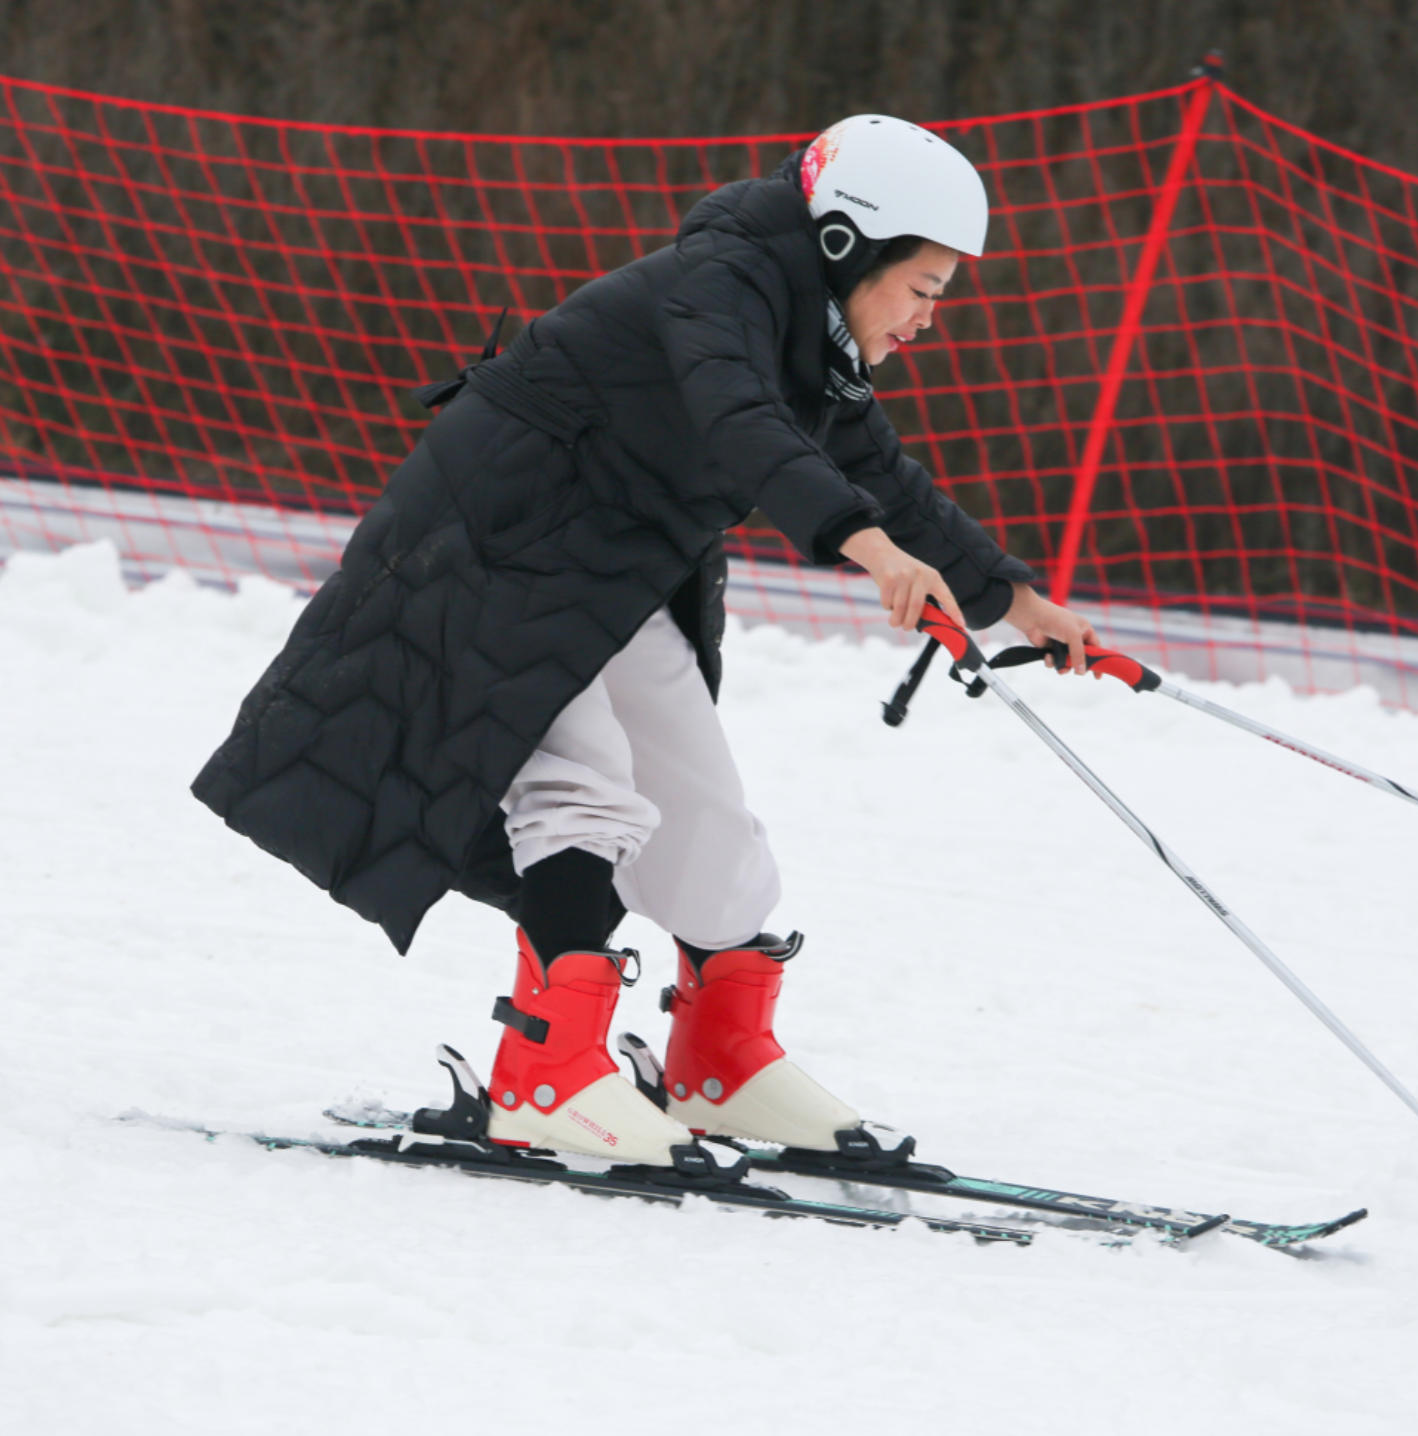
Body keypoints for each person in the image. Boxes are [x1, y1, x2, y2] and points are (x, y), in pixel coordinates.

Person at [193, 115, 1098, 1172]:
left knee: (707, 826)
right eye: (925, 290)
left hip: (612, 571)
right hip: (499, 541)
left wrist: (1017, 599)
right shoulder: (719, 285)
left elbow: (882, 471)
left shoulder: (815, 339)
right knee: (583, 788)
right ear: (847, 246)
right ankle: (546, 1072)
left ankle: (722, 1060)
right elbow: (740, 419)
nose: (928, 321)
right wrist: (863, 545)